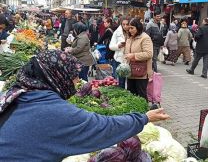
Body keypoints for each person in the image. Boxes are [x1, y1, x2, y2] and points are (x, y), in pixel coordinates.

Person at [0, 50, 169, 161]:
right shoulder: (52, 111)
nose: (76, 82)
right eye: (73, 76)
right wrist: (144, 118)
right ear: (57, 76)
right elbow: (104, 127)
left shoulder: (17, 94)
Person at [124, 18, 153, 100]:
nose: (130, 30)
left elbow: (149, 54)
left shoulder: (145, 38)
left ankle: (144, 112)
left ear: (138, 27)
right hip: (131, 72)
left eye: (132, 28)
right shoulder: (130, 38)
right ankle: (134, 112)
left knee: (141, 95)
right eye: (129, 28)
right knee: (131, 94)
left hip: (141, 73)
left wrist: (133, 55)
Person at [109, 17, 129, 88]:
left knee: (130, 81)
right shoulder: (117, 32)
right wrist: (118, 46)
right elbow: (111, 46)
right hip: (119, 59)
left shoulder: (132, 32)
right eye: (123, 24)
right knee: (120, 81)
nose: (125, 26)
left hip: (130, 59)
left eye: (127, 24)